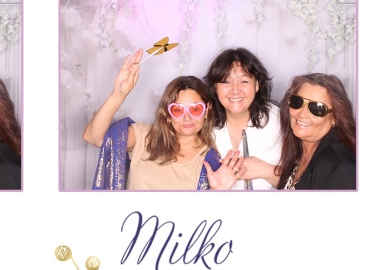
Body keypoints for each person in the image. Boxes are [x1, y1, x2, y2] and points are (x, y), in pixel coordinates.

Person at [85, 53, 241, 191]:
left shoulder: (210, 161)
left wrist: (216, 192)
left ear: (206, 111)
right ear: (167, 113)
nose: (187, 118)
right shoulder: (144, 136)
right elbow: (94, 137)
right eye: (178, 110)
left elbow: (202, 213)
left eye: (195, 109)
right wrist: (119, 93)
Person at [205, 48, 281, 190]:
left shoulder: (279, 120)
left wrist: (265, 170)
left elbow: (302, 181)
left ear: (257, 85)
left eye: (244, 81)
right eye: (226, 81)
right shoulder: (202, 123)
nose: (235, 90)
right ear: (215, 87)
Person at [275, 74, 356, 190]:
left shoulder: (342, 168)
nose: (302, 114)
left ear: (335, 118)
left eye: (317, 108)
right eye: (297, 102)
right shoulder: (299, 152)